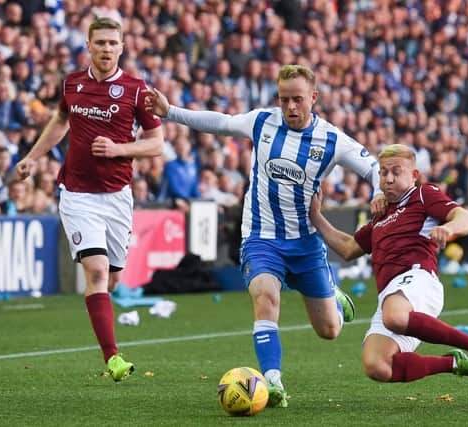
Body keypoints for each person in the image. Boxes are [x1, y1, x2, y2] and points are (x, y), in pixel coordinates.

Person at [145, 64, 386, 407]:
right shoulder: (262, 121)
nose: (290, 107)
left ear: (313, 98)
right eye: (284, 98)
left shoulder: (332, 139)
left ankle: (333, 296)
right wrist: (171, 112)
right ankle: (272, 382)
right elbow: (221, 122)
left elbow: (372, 166)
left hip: (304, 244)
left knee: (329, 331)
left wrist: (378, 191)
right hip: (261, 237)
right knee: (265, 298)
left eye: (297, 100)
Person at [14, 17, 164, 382]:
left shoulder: (136, 89)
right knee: (95, 273)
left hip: (117, 197)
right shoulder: (72, 84)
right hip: (78, 194)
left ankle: (108, 322)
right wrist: (33, 157)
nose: (106, 49)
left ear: (122, 47)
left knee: (111, 280)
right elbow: (59, 120)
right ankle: (112, 358)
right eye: (100, 43)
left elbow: (157, 143)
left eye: (113, 43)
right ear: (89, 45)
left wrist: (118, 149)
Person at [309, 144, 468, 384]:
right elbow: (349, 248)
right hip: (391, 295)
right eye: (383, 172)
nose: (388, 178)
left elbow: (467, 219)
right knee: (377, 366)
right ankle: (454, 362)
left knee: (394, 317)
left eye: (396, 171)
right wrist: (316, 217)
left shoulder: (423, 194)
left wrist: (448, 227)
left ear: (414, 175)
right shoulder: (380, 216)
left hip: (419, 280)